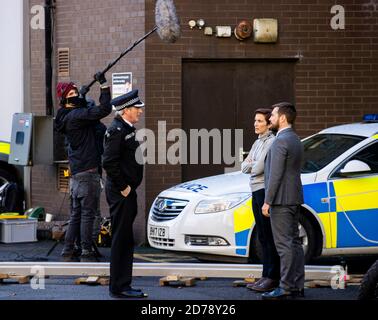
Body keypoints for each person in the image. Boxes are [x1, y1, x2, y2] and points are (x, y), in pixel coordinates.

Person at [54, 81, 112, 262]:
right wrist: (103, 86)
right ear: (65, 100)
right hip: (88, 171)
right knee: (87, 214)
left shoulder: (65, 117)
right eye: (72, 94)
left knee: (76, 215)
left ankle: (68, 250)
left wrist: (83, 97)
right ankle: (86, 251)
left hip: (77, 173)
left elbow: (94, 121)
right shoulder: (77, 116)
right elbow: (104, 109)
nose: (76, 96)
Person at [102, 89, 147, 299]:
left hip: (127, 192)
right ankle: (120, 286)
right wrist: (123, 187)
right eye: (137, 108)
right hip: (122, 193)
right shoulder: (117, 130)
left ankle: (122, 284)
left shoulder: (126, 128)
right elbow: (109, 162)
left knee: (125, 238)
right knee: (122, 239)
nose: (140, 112)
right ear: (126, 110)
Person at [261, 102, 305, 300]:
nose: (270, 118)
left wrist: (267, 201)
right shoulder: (295, 139)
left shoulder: (280, 141)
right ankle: (297, 285)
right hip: (294, 198)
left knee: (284, 245)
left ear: (283, 118)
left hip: (280, 200)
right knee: (294, 243)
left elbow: (276, 174)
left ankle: (286, 287)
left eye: (273, 115)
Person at [241, 108, 280, 292]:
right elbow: (244, 166)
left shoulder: (271, 142)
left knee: (269, 236)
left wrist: (250, 164)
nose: (255, 124)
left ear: (268, 124)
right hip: (255, 190)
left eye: (260, 121)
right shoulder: (258, 142)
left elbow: (257, 168)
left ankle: (272, 277)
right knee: (262, 237)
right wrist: (249, 164)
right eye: (255, 120)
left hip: (263, 190)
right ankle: (265, 276)